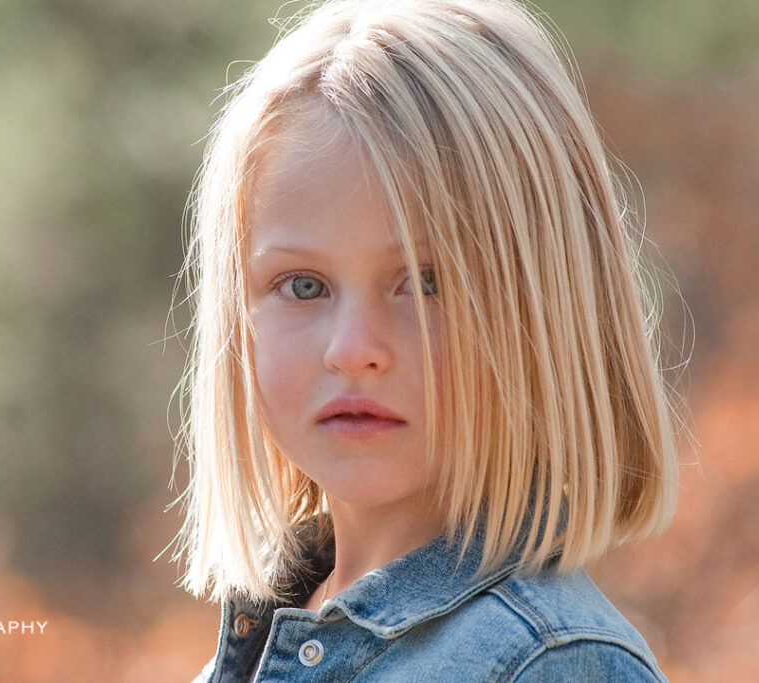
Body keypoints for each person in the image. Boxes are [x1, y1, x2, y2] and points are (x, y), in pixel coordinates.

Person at [172, 0, 680, 680]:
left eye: (426, 280)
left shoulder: (552, 663)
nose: (353, 349)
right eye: (303, 285)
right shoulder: (256, 644)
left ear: (544, 306)